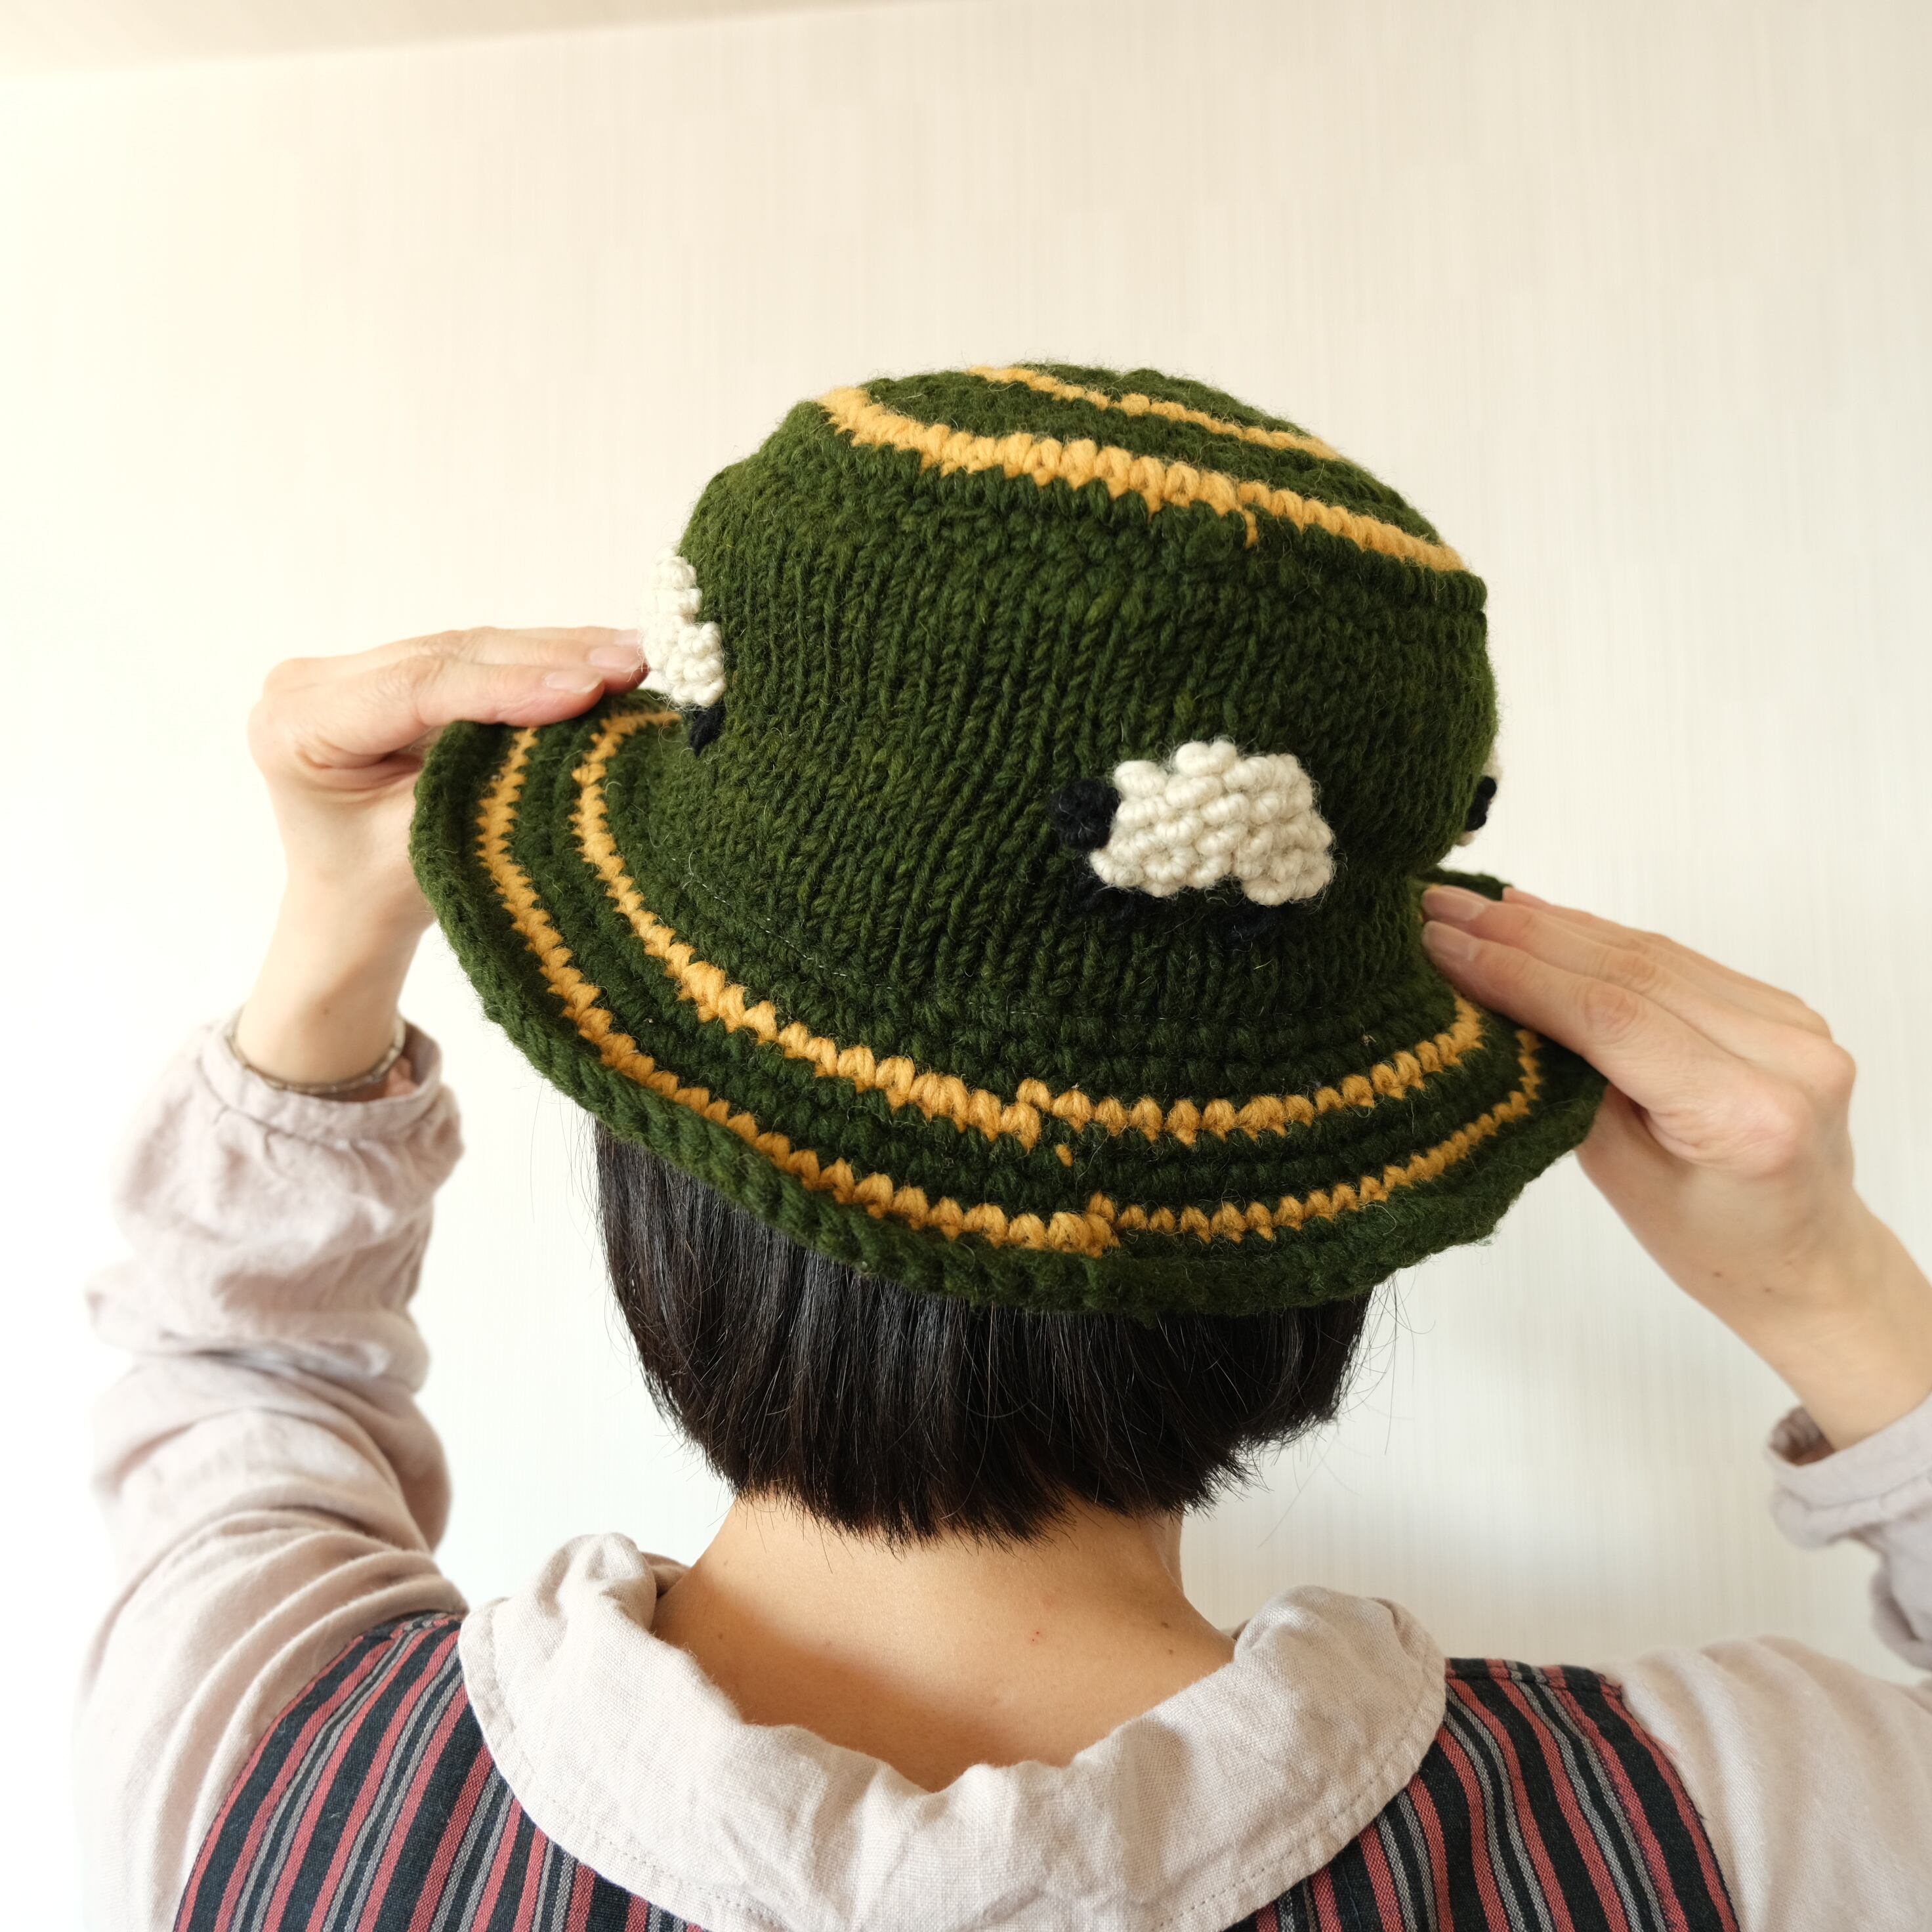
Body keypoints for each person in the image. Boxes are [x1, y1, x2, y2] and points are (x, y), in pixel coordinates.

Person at [80, 366, 1932, 1932]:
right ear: (1319, 1210)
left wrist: (337, 927)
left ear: (661, 1128)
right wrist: (1830, 1288)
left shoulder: (263, 1764)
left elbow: (231, 1380)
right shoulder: (1742, 1830)